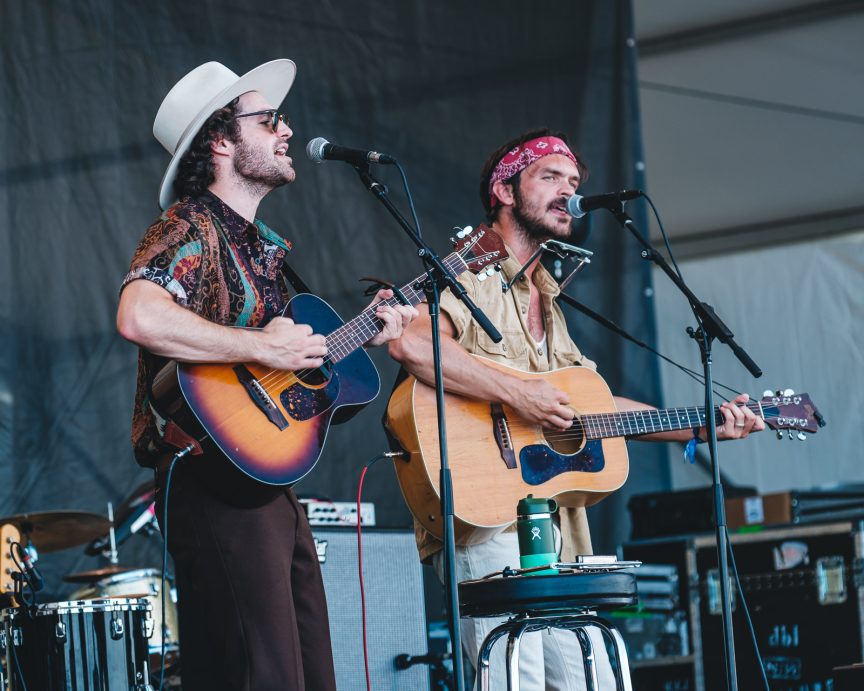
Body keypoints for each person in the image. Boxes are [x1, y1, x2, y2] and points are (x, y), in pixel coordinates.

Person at [387, 128, 764, 690]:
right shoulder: (473, 269)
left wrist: (702, 426)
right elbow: (414, 345)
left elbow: (591, 404)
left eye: (574, 182)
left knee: (595, 680)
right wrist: (519, 395)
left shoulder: (548, 294)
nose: (568, 192)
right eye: (549, 177)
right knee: (519, 679)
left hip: (554, 523)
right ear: (505, 190)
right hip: (485, 512)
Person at [116, 60, 417, 691]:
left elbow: (285, 376)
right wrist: (262, 344)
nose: (287, 130)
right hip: (209, 478)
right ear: (221, 141)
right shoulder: (189, 227)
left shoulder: (266, 251)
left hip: (263, 479)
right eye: (269, 119)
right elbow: (139, 315)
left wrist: (364, 330)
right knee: (266, 675)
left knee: (310, 672)